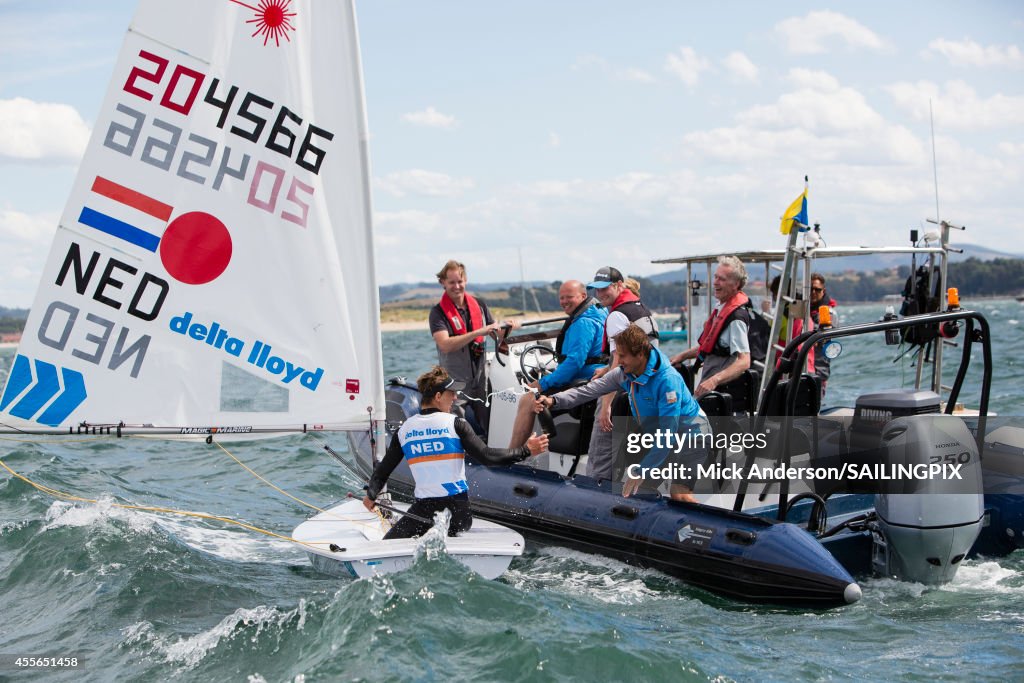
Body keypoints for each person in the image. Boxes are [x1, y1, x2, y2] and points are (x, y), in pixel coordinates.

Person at [363, 366, 548, 539]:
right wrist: (525, 451)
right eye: (451, 393)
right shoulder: (455, 423)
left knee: (389, 542)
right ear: (437, 396)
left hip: (424, 512)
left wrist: (371, 495)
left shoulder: (404, 431)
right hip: (459, 514)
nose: (455, 397)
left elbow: (384, 469)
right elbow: (488, 457)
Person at [535, 325, 703, 502]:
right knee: (641, 491)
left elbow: (667, 436)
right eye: (616, 355)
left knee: (680, 495)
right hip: (661, 437)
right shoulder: (624, 373)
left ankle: (703, 529)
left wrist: (642, 470)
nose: (618, 361)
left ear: (640, 354)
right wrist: (553, 400)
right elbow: (588, 391)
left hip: (692, 436)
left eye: (622, 356)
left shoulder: (667, 381)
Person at [507, 279, 607, 448]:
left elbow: (574, 363)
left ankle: (511, 455)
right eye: (561, 298)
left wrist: (542, 382)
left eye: (569, 297)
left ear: (583, 296)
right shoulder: (598, 312)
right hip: (590, 376)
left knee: (528, 398)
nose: (564, 302)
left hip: (583, 380)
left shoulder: (583, 323)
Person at [429, 259, 518, 434]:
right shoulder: (437, 313)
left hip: (480, 378)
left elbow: (494, 333)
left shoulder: (480, 305)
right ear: (443, 283)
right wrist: (478, 332)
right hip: (455, 381)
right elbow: (445, 345)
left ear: (466, 281)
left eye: (460, 281)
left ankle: (491, 455)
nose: (456, 286)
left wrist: (507, 327)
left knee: (488, 424)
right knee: (455, 427)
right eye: (451, 282)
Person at [670, 255, 752, 401]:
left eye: (722, 279)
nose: (715, 283)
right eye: (715, 277)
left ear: (736, 284)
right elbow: (710, 345)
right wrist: (681, 356)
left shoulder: (736, 319)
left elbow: (744, 361)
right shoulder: (722, 309)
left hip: (718, 396)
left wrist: (715, 380)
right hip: (707, 390)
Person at [809, 273, 837, 391]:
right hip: (801, 368)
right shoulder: (804, 310)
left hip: (818, 371)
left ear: (823, 290)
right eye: (811, 289)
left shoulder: (829, 313)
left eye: (817, 289)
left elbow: (820, 337)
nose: (814, 292)